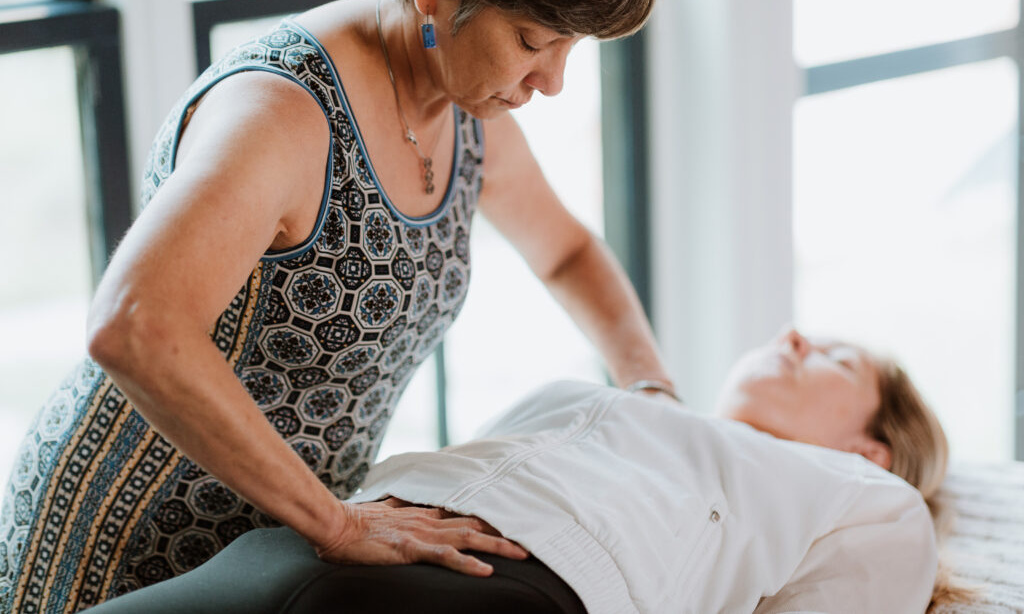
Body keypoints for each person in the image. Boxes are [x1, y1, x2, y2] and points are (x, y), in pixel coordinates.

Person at [0, 0, 671, 612]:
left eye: (571, 48)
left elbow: (566, 252)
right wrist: (338, 523)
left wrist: (650, 388)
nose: (553, 82)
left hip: (269, 546)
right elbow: (134, 325)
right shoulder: (284, 114)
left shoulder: (470, 112)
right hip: (121, 542)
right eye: (533, 41)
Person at [83, 327, 950, 614]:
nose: (796, 335)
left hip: (510, 587)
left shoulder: (874, 498)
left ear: (869, 445)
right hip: (318, 537)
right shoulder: (621, 402)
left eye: (835, 357)